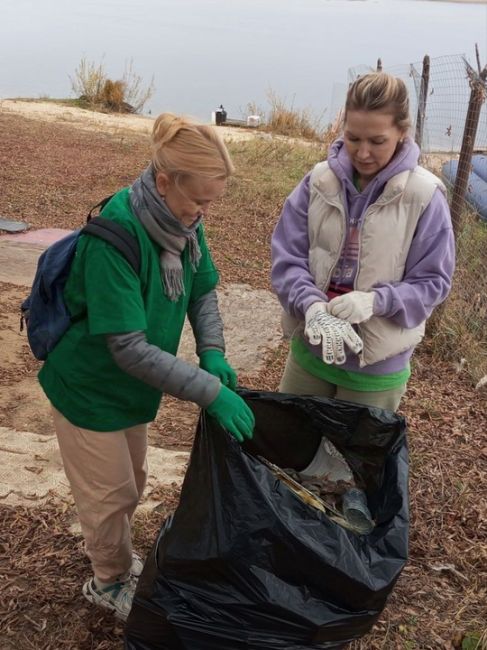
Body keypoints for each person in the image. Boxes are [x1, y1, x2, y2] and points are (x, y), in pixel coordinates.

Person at [38, 113, 255, 619]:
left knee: (130, 481)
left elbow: (200, 290)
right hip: (89, 389)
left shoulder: (182, 224)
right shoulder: (114, 236)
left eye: (210, 202)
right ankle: (108, 580)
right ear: (163, 182)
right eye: (198, 200)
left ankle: (118, 557)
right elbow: (129, 348)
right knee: (110, 494)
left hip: (131, 391)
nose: (203, 213)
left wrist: (213, 351)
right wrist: (209, 391)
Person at [271, 72, 455, 413]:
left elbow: (433, 282)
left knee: (353, 464)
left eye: (377, 140)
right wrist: (311, 306)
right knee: (292, 453)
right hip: (312, 350)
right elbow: (287, 258)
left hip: (376, 366)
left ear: (402, 132)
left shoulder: (424, 196)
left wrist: (377, 302)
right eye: (353, 138)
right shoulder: (318, 181)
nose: (363, 152)